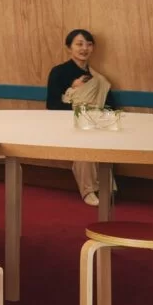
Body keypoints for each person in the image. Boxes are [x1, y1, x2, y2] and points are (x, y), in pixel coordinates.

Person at [45, 28, 109, 206]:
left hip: (94, 120)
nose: (84, 48)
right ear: (69, 48)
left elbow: (107, 103)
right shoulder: (59, 72)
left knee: (105, 135)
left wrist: (103, 116)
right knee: (85, 138)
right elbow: (52, 105)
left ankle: (105, 185)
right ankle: (89, 189)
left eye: (89, 44)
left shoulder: (97, 78)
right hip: (65, 122)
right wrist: (80, 106)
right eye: (79, 44)